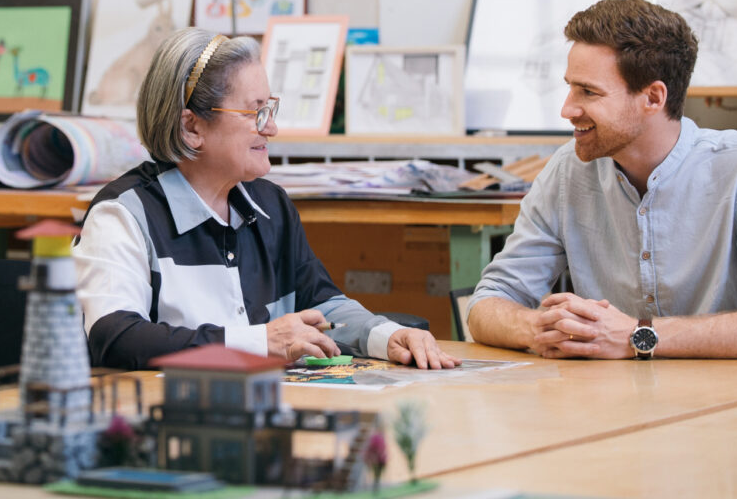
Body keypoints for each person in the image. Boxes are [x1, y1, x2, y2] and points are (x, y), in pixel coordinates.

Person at [75, 28, 461, 370]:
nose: (272, 128)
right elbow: (115, 337)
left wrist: (386, 335)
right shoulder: (122, 216)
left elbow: (322, 306)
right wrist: (261, 342)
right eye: (255, 112)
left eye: (270, 109)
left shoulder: (270, 205)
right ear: (191, 127)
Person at [466, 0, 737, 360]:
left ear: (653, 97)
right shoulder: (567, 170)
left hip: (736, 405)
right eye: (570, 87)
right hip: (612, 404)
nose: (567, 109)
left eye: (588, 91)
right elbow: (487, 305)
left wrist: (637, 336)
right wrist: (539, 328)